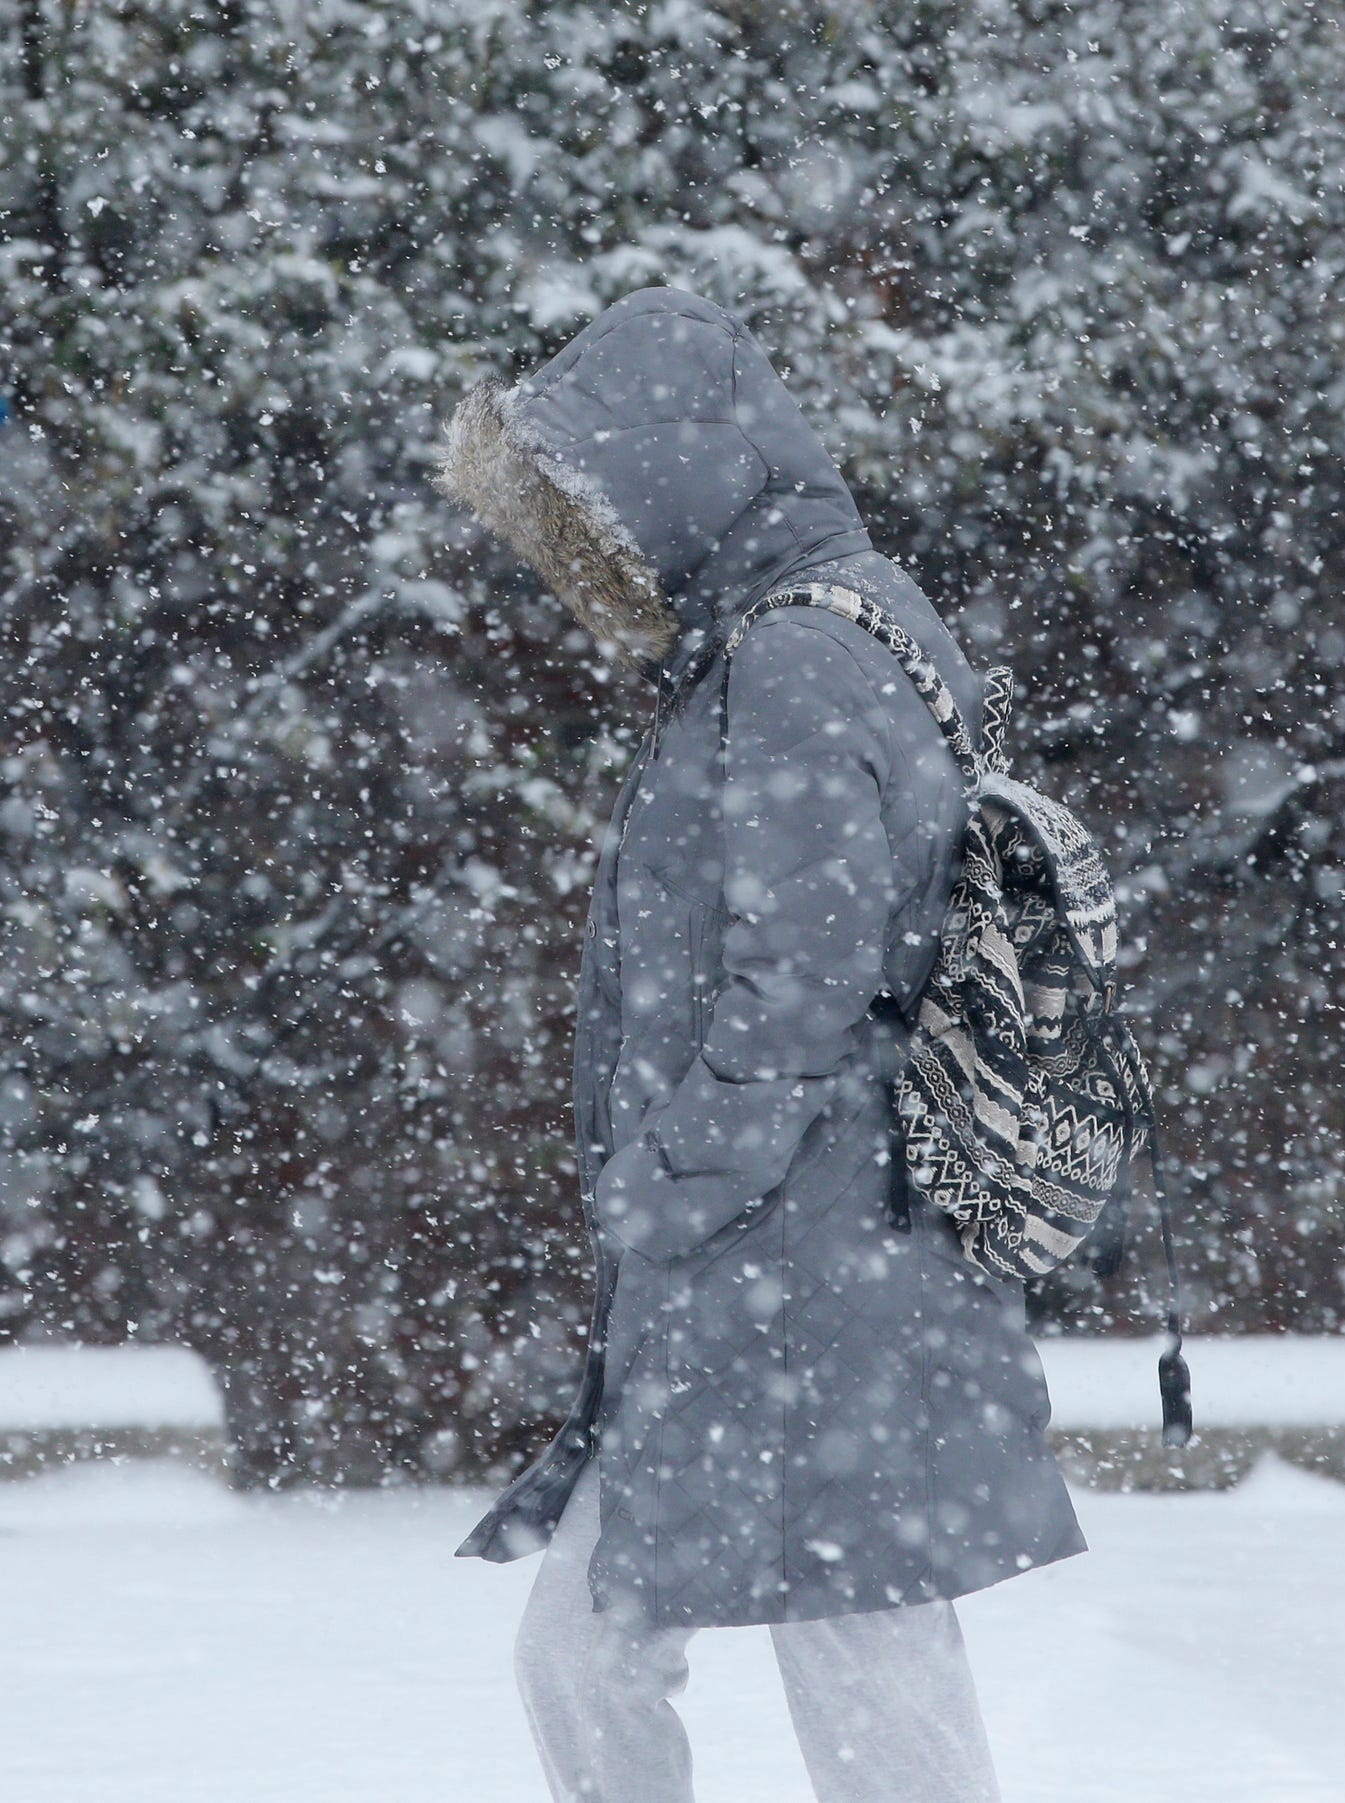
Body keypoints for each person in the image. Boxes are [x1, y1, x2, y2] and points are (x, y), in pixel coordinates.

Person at [436, 287, 1082, 1803]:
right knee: (673, 1645)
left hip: (798, 1249)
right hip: (805, 1246)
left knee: (845, 1650)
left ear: (670, 476)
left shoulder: (794, 657)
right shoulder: (834, 620)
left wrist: (672, 1176)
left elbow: (803, 974)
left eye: (588, 497)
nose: (581, 544)